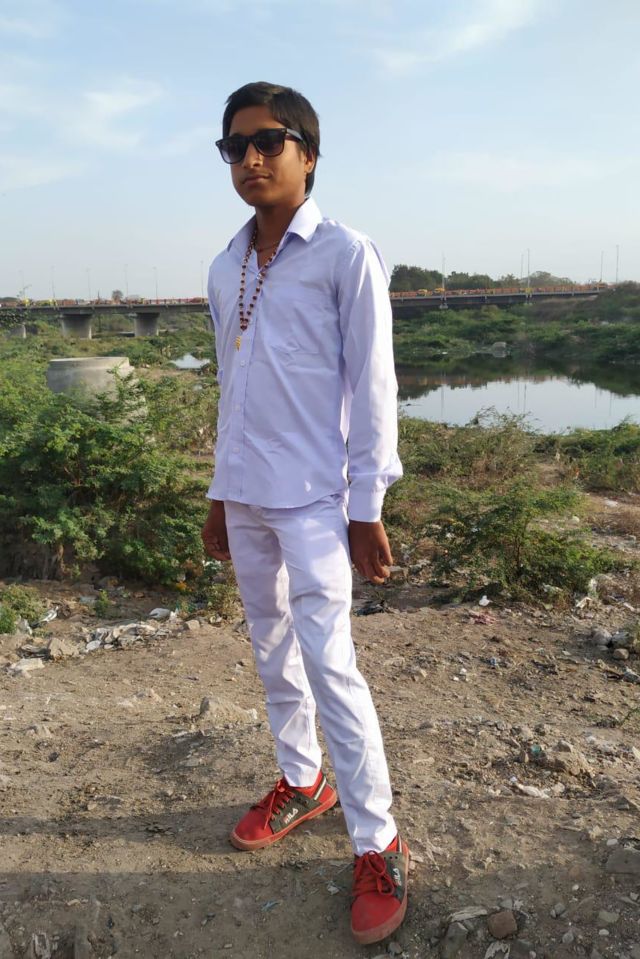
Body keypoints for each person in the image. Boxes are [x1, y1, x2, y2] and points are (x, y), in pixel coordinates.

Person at [201, 81, 408, 945]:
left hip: (319, 501)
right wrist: (220, 493)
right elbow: (232, 388)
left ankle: (378, 842)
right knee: (271, 647)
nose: (251, 158)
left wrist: (367, 505)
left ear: (308, 154)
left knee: (331, 664)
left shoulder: (345, 255)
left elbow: (374, 387)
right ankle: (302, 780)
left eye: (269, 141)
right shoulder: (225, 266)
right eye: (235, 146)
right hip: (248, 493)